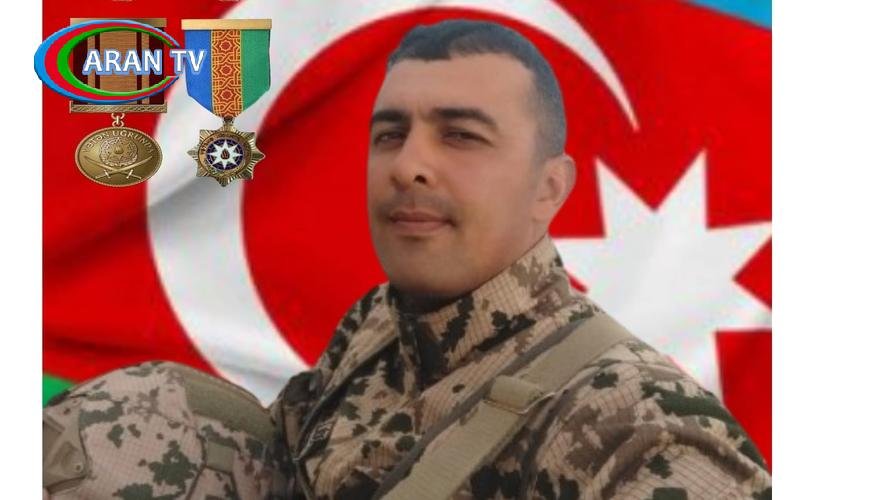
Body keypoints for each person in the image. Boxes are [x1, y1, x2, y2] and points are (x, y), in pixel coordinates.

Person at [269, 19, 771, 500]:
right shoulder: (377, 326)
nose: (406, 166)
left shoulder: (641, 431)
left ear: (549, 188)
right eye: (390, 135)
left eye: (461, 135)